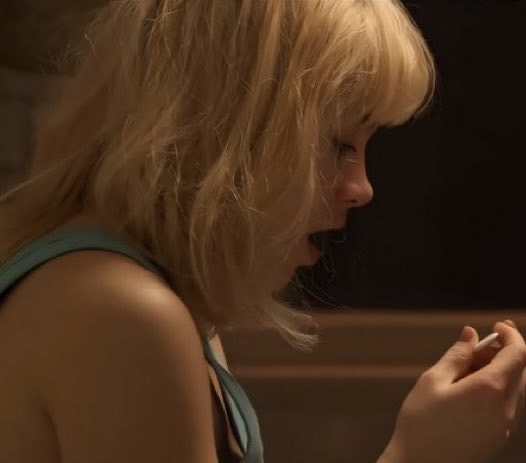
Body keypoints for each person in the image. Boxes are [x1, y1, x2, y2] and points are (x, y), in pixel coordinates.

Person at [0, 1, 524, 462]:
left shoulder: (166, 298)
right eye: (337, 142)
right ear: (224, 127)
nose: (361, 188)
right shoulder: (123, 312)